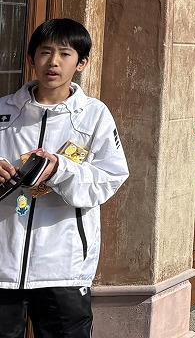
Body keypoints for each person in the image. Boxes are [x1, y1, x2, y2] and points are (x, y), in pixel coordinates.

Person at [0, 19, 128, 338]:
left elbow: (110, 177)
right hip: (1, 264)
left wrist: (59, 169)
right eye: (45, 52)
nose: (53, 62)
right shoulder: (4, 111)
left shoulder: (94, 115)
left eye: (64, 54)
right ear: (31, 58)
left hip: (64, 268)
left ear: (81, 63)